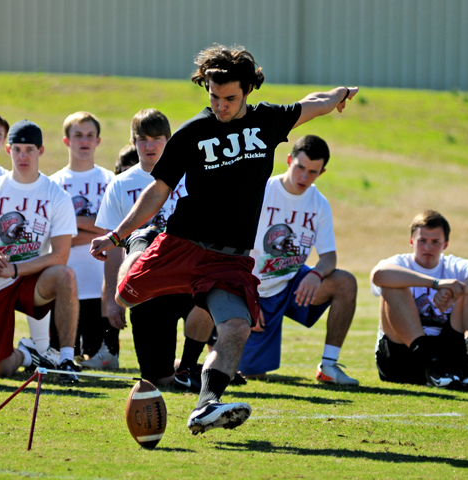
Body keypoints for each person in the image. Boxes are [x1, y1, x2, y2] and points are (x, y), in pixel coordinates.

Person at [91, 44, 358, 434]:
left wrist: (337, 97)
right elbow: (157, 191)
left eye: (230, 98)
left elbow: (311, 103)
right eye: (214, 96)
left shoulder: (267, 121)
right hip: (182, 243)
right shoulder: (192, 133)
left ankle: (206, 404)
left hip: (228, 259)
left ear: (248, 89)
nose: (221, 105)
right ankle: (140, 244)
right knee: (126, 295)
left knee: (236, 327)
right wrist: (119, 235)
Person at [95, 108, 214, 389]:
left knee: (212, 293)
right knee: (157, 380)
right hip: (146, 285)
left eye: (157, 138)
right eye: (142, 139)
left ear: (169, 140)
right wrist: (113, 297)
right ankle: (176, 370)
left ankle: (188, 367)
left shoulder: (192, 175)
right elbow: (113, 249)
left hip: (186, 278)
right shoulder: (120, 185)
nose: (149, 146)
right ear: (133, 142)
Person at [238, 135, 358, 385]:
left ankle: (329, 365)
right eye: (300, 168)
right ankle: (190, 364)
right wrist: (247, 295)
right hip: (253, 288)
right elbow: (233, 248)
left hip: (292, 284)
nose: (304, 176)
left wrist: (316, 274)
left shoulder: (319, 203)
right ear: (289, 160)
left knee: (345, 282)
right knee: (249, 374)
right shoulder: (261, 190)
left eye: (313, 171)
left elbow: (329, 257)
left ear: (322, 172)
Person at [0, 120, 80, 384]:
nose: (23, 156)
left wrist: (15, 269)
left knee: (65, 275)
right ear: (8, 150)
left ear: (41, 151)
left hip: (29, 278)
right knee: (0, 369)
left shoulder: (56, 195)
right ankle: (29, 355)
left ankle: (65, 358)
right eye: (17, 149)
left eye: (29, 149)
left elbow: (59, 256)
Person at [370, 210, 468, 390]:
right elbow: (378, 275)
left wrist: (456, 291)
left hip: (447, 354)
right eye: (422, 241)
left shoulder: (454, 266)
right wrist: (436, 284)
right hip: (402, 356)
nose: (428, 248)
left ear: (445, 244)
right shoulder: (399, 263)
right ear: (411, 241)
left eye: (435, 242)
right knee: (392, 286)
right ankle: (430, 365)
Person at [49, 112, 117, 369]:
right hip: (66, 285)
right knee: (62, 356)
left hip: (101, 287)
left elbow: (115, 230)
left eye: (90, 135)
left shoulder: (110, 180)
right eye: (78, 135)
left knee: (103, 360)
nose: (84, 141)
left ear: (98, 141)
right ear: (66, 141)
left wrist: (72, 222)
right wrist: (98, 231)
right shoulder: (54, 183)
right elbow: (53, 234)